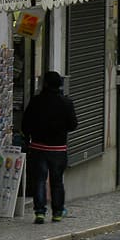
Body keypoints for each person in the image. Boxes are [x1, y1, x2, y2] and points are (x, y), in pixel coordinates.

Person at [22, 70, 78, 223]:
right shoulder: (66, 103)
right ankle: (57, 212)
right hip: (58, 149)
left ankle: (40, 212)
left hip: (38, 147)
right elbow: (73, 125)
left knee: (39, 180)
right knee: (57, 181)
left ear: (45, 83)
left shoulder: (36, 101)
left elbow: (25, 124)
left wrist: (31, 136)